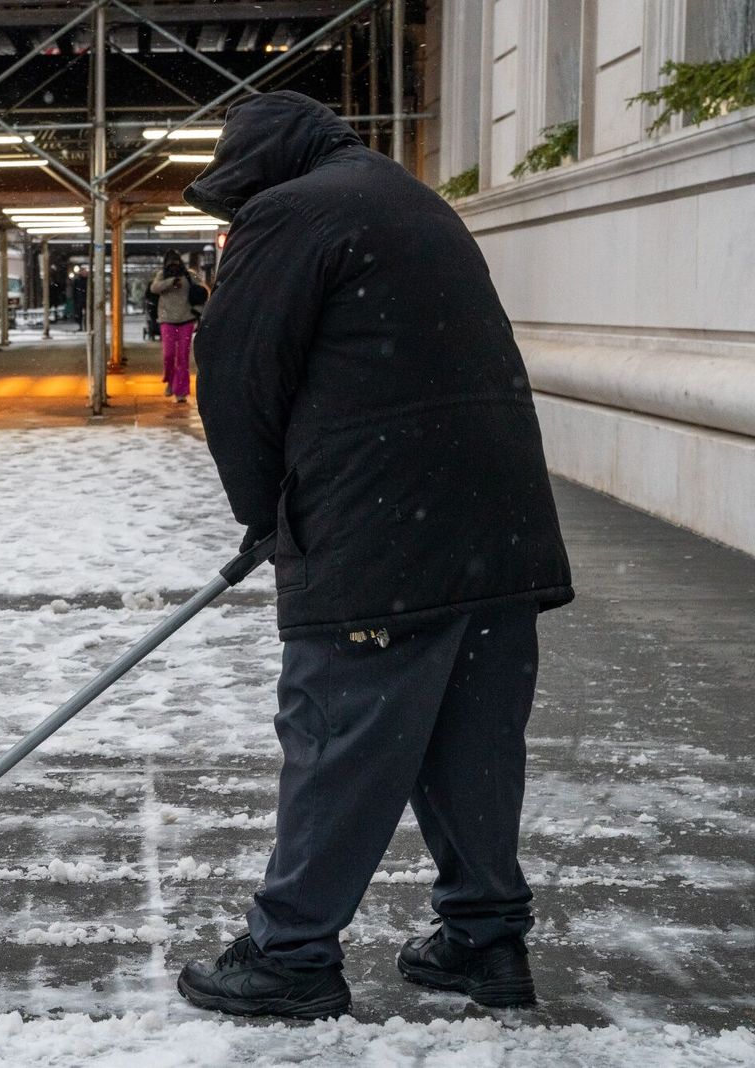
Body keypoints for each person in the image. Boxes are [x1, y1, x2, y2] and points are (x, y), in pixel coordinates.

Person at [176, 90, 574, 1020]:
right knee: (471, 738)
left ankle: (290, 956)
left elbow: (234, 379)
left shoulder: (289, 213)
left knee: (338, 734)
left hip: (383, 527)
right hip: (498, 529)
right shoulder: (412, 201)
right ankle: (485, 943)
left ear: (260, 170)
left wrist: (266, 513)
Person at [148, 250, 203, 402]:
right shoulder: (162, 275)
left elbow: (202, 292)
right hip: (167, 320)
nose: (174, 266)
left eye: (176, 263)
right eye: (170, 264)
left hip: (186, 319)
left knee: (183, 357)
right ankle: (170, 381)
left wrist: (197, 311)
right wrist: (170, 281)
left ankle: (181, 391)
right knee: (169, 355)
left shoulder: (189, 275)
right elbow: (154, 288)